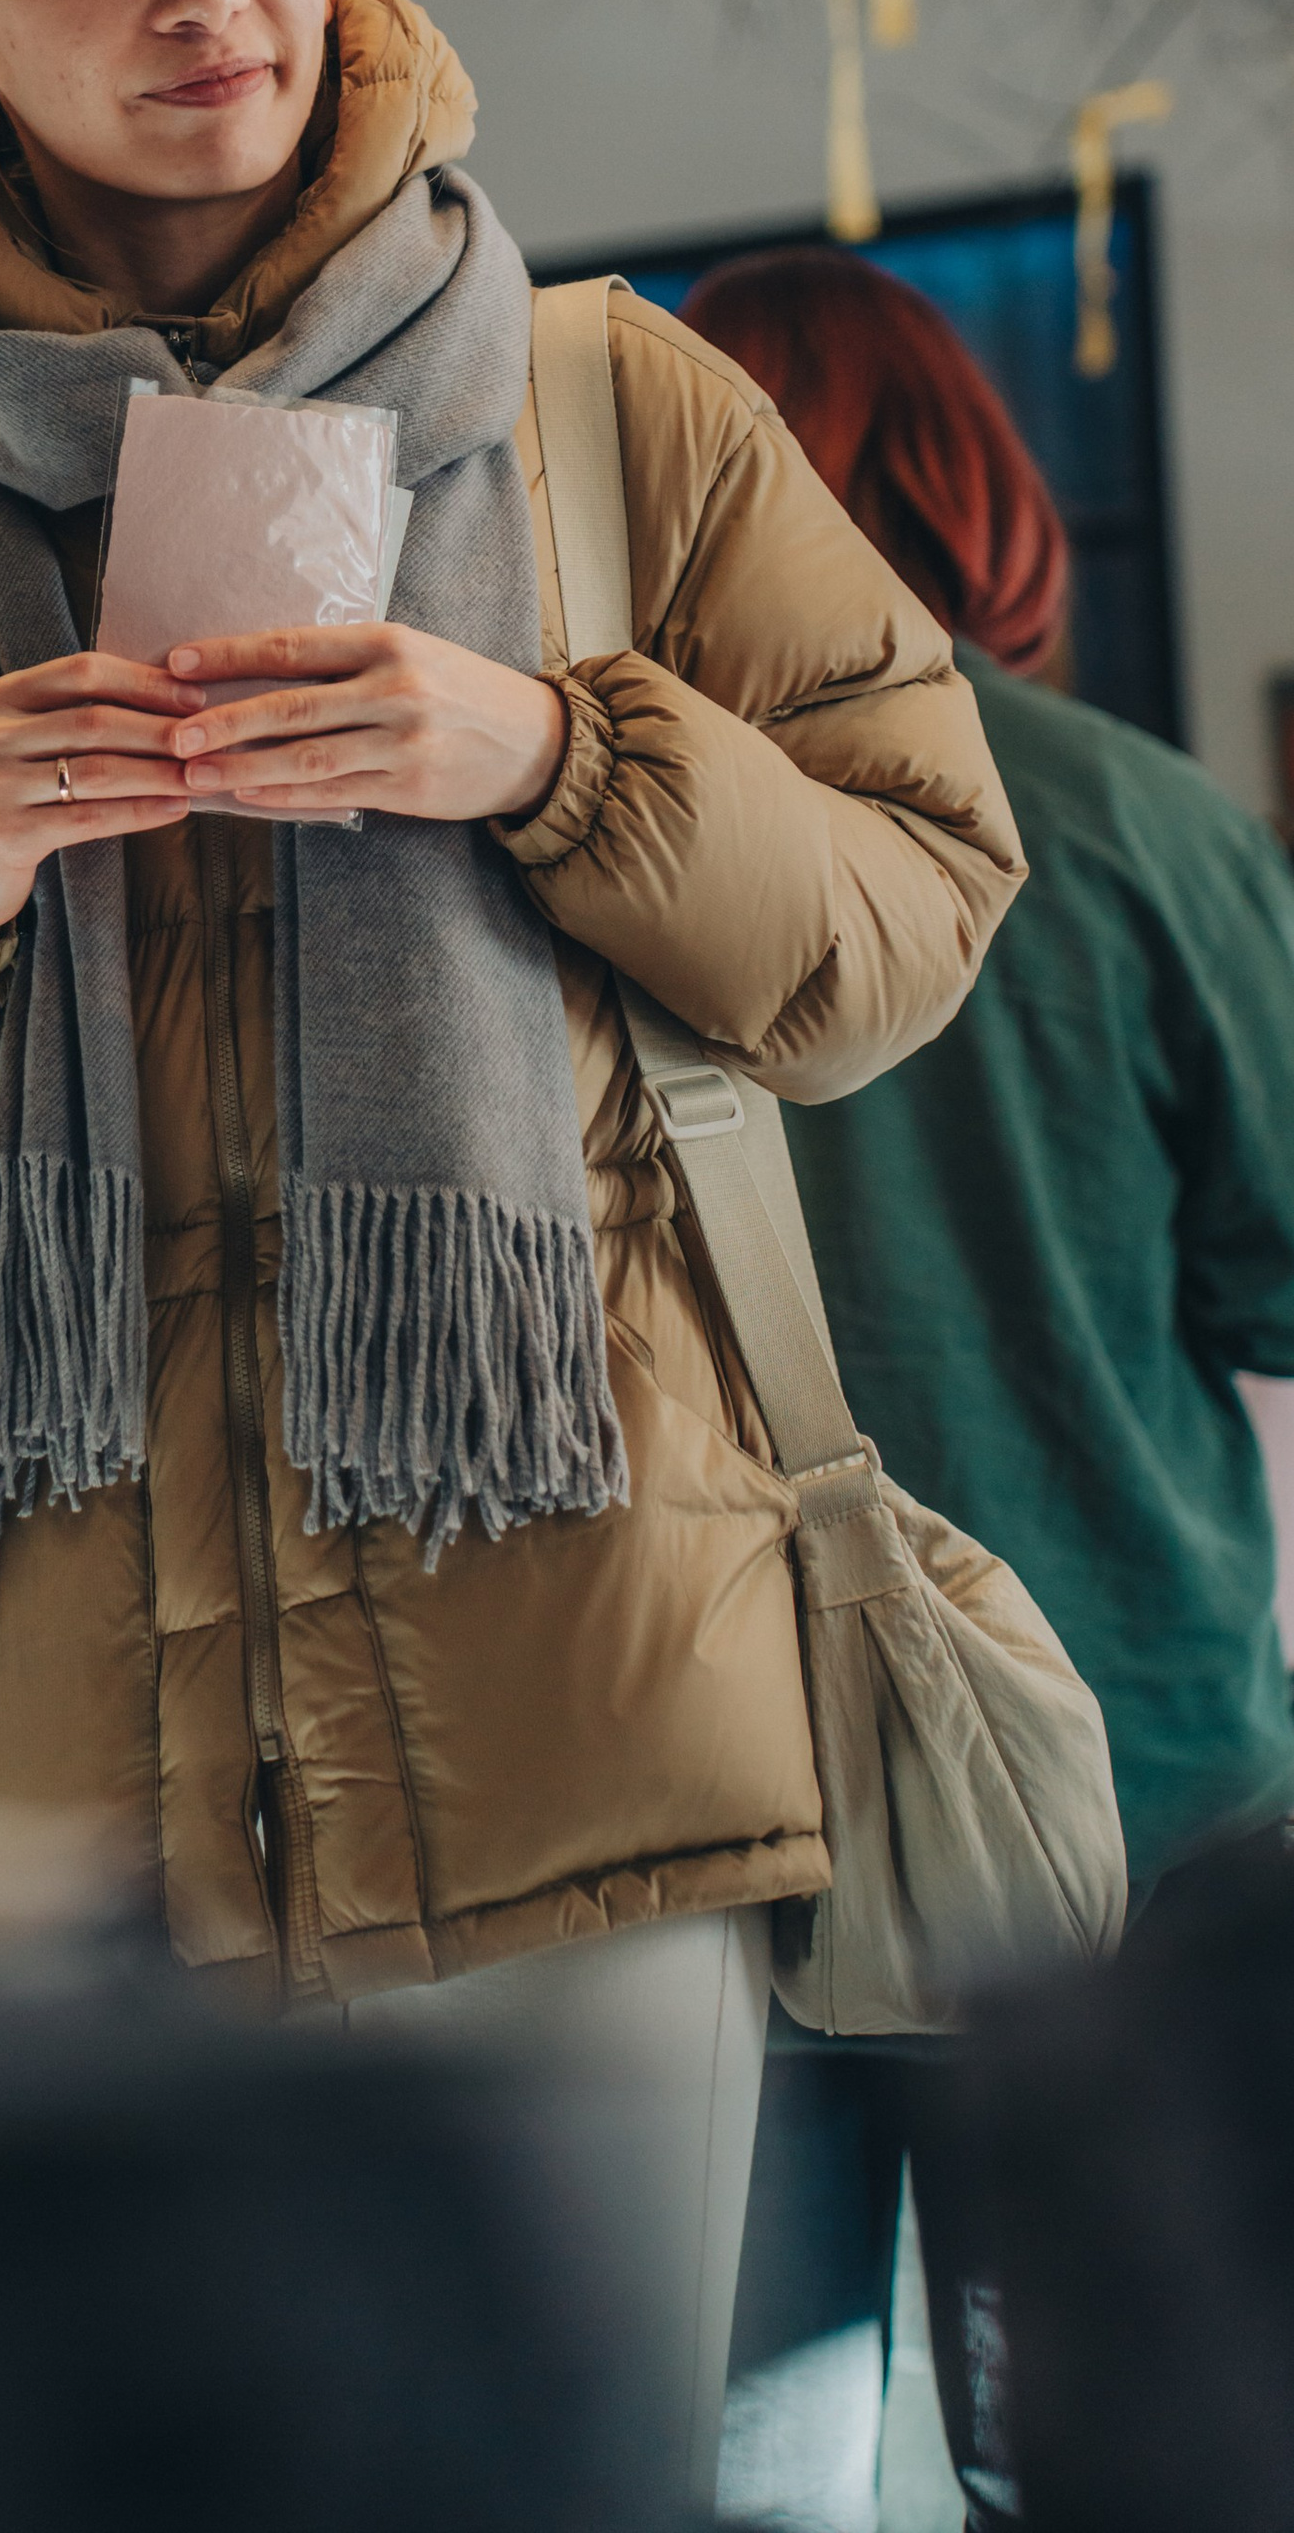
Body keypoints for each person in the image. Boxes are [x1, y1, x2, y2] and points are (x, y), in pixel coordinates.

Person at [0, 0, 1024, 2507]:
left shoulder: (610, 408)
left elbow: (904, 925)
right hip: (60, 1830)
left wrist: (551, 754)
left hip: (584, 1721)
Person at [684, 245, 1294, 2532]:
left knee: (749, 2473)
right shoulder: (1135, 826)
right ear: (978, 490)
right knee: (1122, 2464)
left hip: (707, 1800)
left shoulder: (588, 859)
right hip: (1118, 1781)